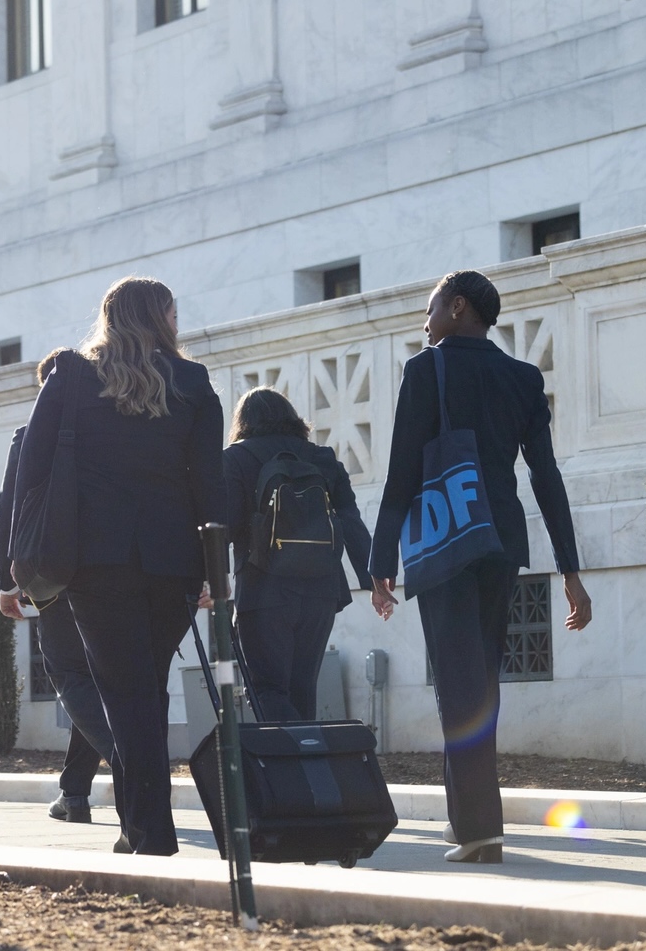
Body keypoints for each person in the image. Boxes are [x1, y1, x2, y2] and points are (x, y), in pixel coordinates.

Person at [368, 269, 593, 865]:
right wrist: (570, 569)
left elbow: (401, 474)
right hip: (501, 543)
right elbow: (545, 475)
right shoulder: (522, 377)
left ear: (458, 308)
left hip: (445, 539)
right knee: (480, 680)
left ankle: (479, 829)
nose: (426, 319)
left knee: (458, 680)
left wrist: (380, 559)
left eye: (432, 306)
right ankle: (465, 818)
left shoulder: (425, 368)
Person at [11, 277, 224, 855]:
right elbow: (210, 485)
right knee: (144, 689)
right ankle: (138, 827)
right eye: (173, 314)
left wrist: (20, 564)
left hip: (95, 559)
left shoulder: (72, 376)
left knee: (125, 691)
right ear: (160, 318)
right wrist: (216, 570)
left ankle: (151, 831)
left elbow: (31, 470)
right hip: (172, 559)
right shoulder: (194, 381)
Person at [0, 361, 115, 824]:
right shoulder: (110, 429)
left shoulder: (28, 437)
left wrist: (6, 584)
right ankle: (74, 793)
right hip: (109, 571)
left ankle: (126, 760)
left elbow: (9, 512)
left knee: (69, 676)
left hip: (52, 573)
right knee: (96, 681)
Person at [222, 387, 371, 721]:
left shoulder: (235, 458)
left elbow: (226, 525)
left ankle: (289, 770)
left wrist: (211, 580)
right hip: (321, 591)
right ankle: (309, 767)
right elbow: (349, 519)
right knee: (303, 688)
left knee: (266, 690)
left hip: (262, 591)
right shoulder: (321, 457)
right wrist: (373, 578)